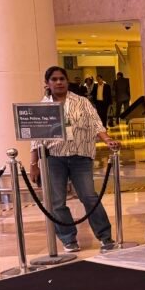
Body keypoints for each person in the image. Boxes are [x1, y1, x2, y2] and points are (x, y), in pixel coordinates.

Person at [29, 66, 121, 252]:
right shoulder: (43, 106)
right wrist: (34, 164)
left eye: (62, 78)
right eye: (54, 79)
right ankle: (68, 238)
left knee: (89, 197)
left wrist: (107, 139)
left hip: (81, 157)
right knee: (57, 202)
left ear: (67, 80)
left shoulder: (82, 102)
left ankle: (105, 236)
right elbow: (36, 138)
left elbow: (96, 124)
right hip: (54, 159)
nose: (59, 82)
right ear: (47, 83)